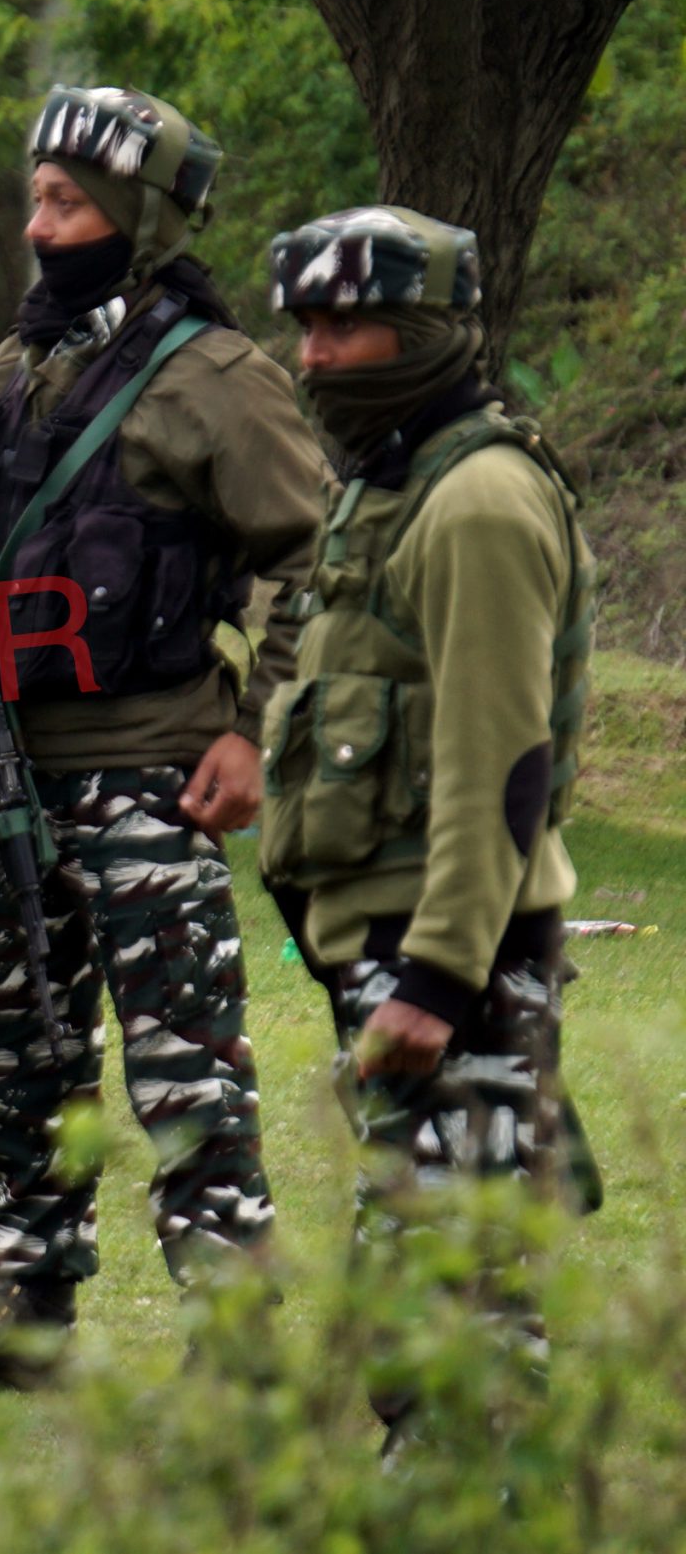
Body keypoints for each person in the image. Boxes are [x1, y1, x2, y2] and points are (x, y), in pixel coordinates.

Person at [0, 85, 326, 1385]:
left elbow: (316, 564)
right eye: (35, 197)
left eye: (68, 203)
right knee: (16, 1060)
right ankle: (29, 1318)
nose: (40, 224)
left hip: (150, 776)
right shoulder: (21, 364)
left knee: (187, 1075)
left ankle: (235, 1355)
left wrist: (252, 732)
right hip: (6, 767)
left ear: (136, 218)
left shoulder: (219, 381)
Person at [258, 205, 600, 1444]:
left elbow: (500, 763)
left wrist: (439, 976)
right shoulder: (388, 483)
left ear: (422, 327)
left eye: (345, 323)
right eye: (304, 323)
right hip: (390, 945)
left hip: (447, 956)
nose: (314, 352)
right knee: (419, 1256)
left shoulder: (479, 502)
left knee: (462, 1283)